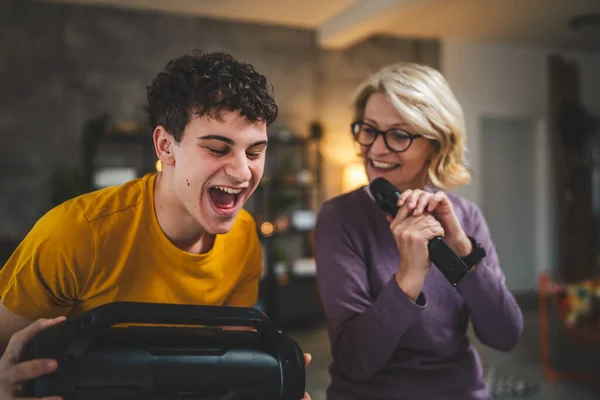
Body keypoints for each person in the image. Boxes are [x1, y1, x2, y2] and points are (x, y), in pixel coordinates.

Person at [0, 51, 311, 399]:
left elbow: (216, 369)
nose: (243, 172)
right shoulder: (77, 233)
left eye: (254, 153)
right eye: (218, 149)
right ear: (166, 147)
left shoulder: (244, 238)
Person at [314, 62, 524, 399]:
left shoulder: (466, 217)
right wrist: (409, 276)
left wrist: (463, 253)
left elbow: (505, 336)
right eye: (368, 129)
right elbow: (356, 361)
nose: (376, 149)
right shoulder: (340, 217)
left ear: (437, 145)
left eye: (399, 134)